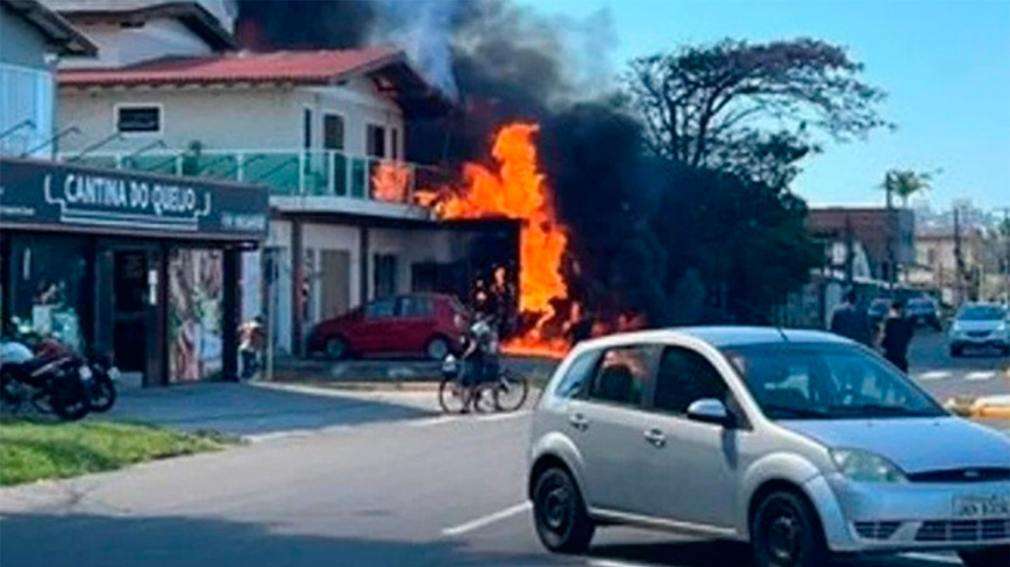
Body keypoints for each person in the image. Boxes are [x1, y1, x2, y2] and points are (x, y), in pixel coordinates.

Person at [880, 299, 915, 372]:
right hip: (901, 356)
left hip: (890, 356)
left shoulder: (888, 323)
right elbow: (910, 335)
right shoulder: (906, 323)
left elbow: (883, 340)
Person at [238, 316, 265, 380]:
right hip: (250, 347)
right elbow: (256, 336)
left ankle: (245, 375)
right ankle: (247, 375)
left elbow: (239, 330)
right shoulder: (256, 327)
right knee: (252, 362)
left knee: (246, 363)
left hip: (243, 347)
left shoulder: (246, 325)